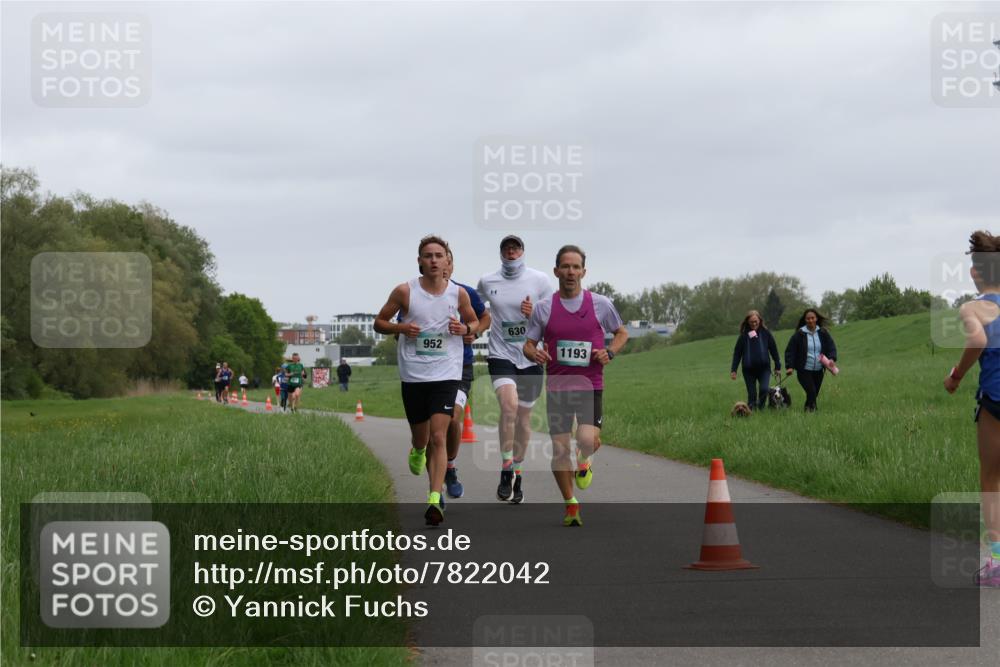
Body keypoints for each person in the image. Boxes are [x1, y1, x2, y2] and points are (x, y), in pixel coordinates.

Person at [374, 235, 479, 525]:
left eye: (438, 255)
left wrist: (465, 328)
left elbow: (474, 323)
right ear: (420, 261)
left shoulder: (458, 294)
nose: (433, 260)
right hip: (414, 375)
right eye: (428, 255)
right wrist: (402, 326)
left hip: (446, 373)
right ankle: (417, 450)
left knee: (438, 435)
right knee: (422, 438)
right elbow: (379, 322)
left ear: (447, 261)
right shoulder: (405, 291)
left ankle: (434, 499)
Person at [524, 245, 628, 526]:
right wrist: (535, 353)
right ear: (556, 271)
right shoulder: (544, 308)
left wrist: (610, 352)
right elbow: (528, 345)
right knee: (559, 449)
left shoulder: (600, 304)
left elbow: (621, 332)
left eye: (576, 267)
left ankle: (585, 460)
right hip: (558, 387)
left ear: (584, 271)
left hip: (590, 383)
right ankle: (571, 505)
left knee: (585, 440)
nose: (571, 272)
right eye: (565, 266)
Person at [477, 235, 552, 504]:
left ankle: (518, 471)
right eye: (506, 248)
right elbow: (476, 310)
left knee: (523, 418)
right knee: (508, 408)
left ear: (523, 252)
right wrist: (469, 328)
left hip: (531, 356)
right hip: (501, 354)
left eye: (515, 247)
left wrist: (536, 312)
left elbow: (552, 317)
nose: (511, 252)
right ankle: (506, 467)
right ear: (501, 253)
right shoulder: (488, 281)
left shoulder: (540, 280)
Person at [944, 230, 1000, 587]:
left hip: (995, 399)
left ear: (976, 272)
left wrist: (956, 376)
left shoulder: (972, 307)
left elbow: (978, 340)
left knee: (992, 478)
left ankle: (996, 561)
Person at [442, 250, 489, 499]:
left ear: (452, 265)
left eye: (447, 261)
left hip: (461, 367)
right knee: (430, 428)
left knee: (453, 418)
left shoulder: (465, 292)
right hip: (428, 371)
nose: (442, 266)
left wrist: (475, 331)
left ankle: (449, 467)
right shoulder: (414, 294)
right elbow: (400, 325)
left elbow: (485, 318)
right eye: (436, 260)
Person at [784, 308, 837, 412]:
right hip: (804, 370)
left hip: (819, 369)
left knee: (814, 393)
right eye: (808, 318)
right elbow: (790, 351)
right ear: (805, 320)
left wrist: (831, 358)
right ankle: (813, 411)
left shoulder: (823, 332)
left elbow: (831, 346)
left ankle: (807, 410)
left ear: (816, 318)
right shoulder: (799, 335)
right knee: (812, 391)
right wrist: (790, 366)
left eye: (812, 318)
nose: (810, 320)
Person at [730, 310, 781, 410]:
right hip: (748, 370)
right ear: (747, 322)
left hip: (764, 369)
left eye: (756, 321)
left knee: (764, 389)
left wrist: (777, 366)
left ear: (760, 321)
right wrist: (733, 370)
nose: (754, 323)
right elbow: (737, 354)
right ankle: (751, 411)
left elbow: (774, 350)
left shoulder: (766, 333)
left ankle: (760, 408)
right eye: (751, 322)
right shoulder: (743, 336)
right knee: (752, 394)